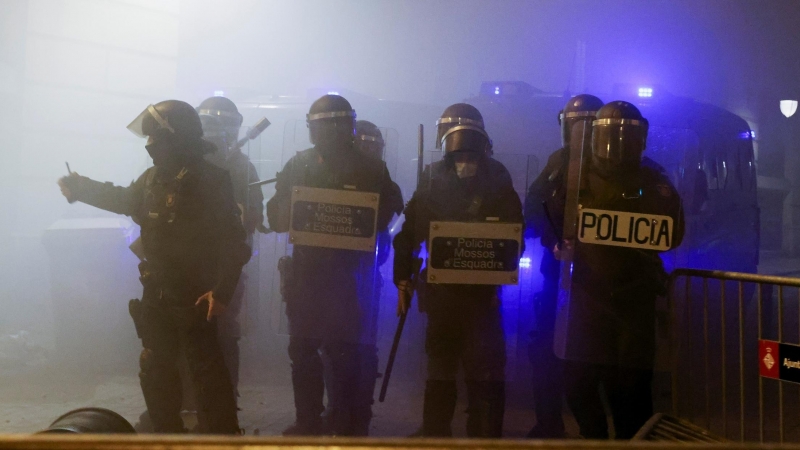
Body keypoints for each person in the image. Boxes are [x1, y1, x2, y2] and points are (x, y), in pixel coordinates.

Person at [57, 100, 248, 434]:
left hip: (196, 294)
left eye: (155, 137)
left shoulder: (211, 181)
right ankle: (165, 434)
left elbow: (234, 242)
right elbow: (122, 199)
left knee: (206, 371)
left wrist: (222, 291)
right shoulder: (151, 180)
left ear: (175, 138)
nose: (150, 146)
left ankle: (221, 439)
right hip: (156, 292)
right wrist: (81, 187)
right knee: (155, 366)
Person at [549, 101, 685, 439]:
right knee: (577, 381)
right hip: (585, 297)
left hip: (633, 298)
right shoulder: (573, 174)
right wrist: (557, 243)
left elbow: (673, 232)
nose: (616, 145)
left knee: (631, 390)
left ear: (640, 140)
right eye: (610, 136)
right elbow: (548, 215)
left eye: (626, 137)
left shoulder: (654, 180)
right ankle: (594, 438)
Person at [266, 95, 398, 436]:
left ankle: (339, 421)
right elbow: (276, 217)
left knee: (343, 353)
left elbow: (385, 215)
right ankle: (311, 421)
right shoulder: (302, 165)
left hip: (349, 277)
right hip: (312, 276)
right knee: (305, 350)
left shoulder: (370, 168)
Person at [393, 103, 523, 438]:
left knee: (486, 368)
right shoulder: (433, 176)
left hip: (481, 296)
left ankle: (485, 437)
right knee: (440, 366)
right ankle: (435, 433)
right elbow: (411, 229)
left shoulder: (497, 177)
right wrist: (402, 275)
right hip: (444, 295)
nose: (465, 161)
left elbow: (514, 231)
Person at [523, 94, 604, 438]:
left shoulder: (613, 169)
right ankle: (548, 424)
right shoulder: (558, 162)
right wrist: (550, 236)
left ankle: (594, 432)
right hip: (555, 275)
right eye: (573, 125)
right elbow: (533, 207)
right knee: (545, 351)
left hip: (597, 283)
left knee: (587, 363)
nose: (577, 133)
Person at [198, 95, 265, 393]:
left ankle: (224, 402)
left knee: (223, 330)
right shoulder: (187, 163)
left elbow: (253, 218)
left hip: (225, 265)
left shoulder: (241, 168)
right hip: (187, 263)